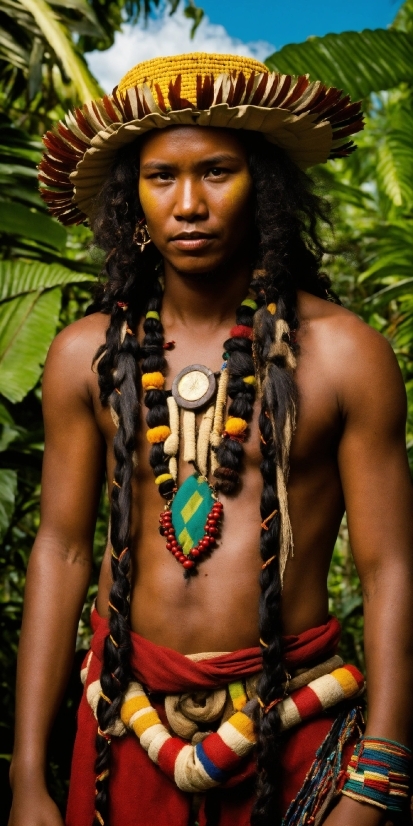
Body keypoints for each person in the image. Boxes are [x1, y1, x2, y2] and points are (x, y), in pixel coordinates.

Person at [8, 53, 413, 826]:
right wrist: (29, 772)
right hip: (125, 725)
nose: (189, 203)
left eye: (217, 171)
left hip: (297, 722)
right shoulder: (83, 356)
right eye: (162, 177)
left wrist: (379, 768)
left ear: (263, 185)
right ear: (132, 200)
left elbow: (391, 562)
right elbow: (60, 550)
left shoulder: (342, 355)